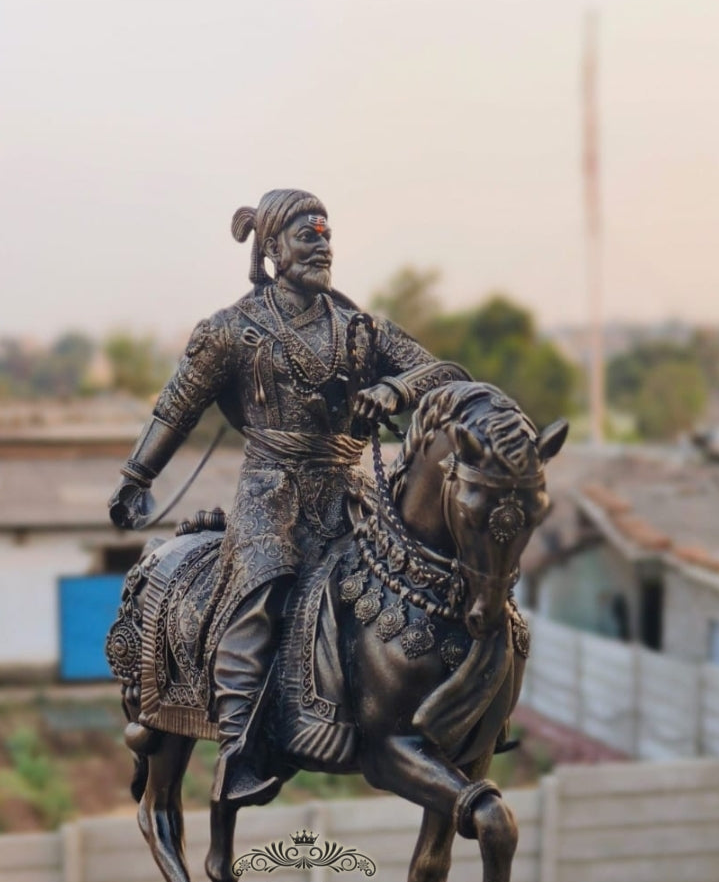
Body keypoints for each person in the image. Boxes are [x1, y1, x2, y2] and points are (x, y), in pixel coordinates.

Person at [109, 188, 468, 806]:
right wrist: (136, 479)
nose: (321, 246)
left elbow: (446, 374)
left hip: (352, 496)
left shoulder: (359, 328)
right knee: (261, 597)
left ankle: (450, 709)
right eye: (307, 235)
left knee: (422, 584)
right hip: (270, 495)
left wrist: (394, 389)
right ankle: (242, 748)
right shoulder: (231, 332)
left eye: (326, 236)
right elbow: (176, 409)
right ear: (272, 248)